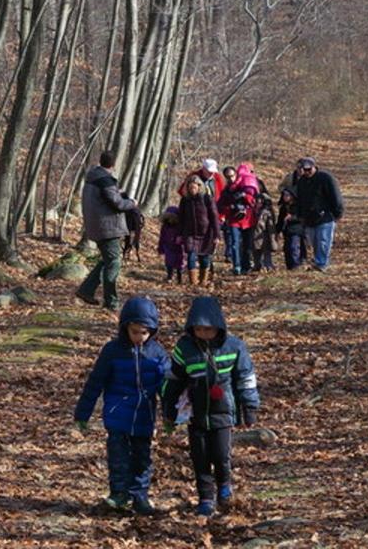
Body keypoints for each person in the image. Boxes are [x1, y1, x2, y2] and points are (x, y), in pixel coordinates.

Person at [161, 295, 260, 517]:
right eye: (199, 329)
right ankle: (206, 497)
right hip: (196, 413)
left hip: (223, 411)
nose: (204, 333)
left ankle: (224, 486)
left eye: (209, 329)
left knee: (221, 454)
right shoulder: (184, 348)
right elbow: (173, 380)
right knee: (200, 457)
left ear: (219, 326)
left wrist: (250, 407)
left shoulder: (234, 347)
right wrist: (169, 410)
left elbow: (246, 377)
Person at [73, 296, 170, 516]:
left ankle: (140, 496)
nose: (139, 337)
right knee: (118, 455)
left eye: (144, 333)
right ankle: (119, 493)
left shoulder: (157, 353)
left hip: (144, 414)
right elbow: (95, 382)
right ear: (125, 328)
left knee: (142, 456)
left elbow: (168, 386)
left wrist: (171, 415)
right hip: (117, 413)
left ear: (152, 331)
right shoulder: (112, 351)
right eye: (134, 331)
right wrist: (83, 413)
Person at [75, 151, 138, 309]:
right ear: (113, 165)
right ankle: (111, 302)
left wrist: (117, 192)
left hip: (98, 226)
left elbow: (107, 198)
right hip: (107, 227)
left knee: (107, 260)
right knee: (114, 263)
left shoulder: (93, 177)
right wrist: (131, 202)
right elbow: (117, 203)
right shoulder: (105, 180)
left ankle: (86, 290)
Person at [293, 157, 343, 271]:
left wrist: (337, 212)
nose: (307, 172)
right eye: (304, 170)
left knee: (323, 241)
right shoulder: (301, 182)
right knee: (314, 242)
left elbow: (335, 196)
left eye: (308, 169)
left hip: (326, 217)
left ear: (314, 167)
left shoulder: (325, 178)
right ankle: (319, 260)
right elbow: (300, 200)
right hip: (309, 218)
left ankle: (322, 263)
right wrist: (300, 215)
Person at [218, 163, 259, 275]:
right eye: (228, 177)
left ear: (236, 174)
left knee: (246, 244)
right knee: (235, 244)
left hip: (248, 220)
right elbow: (220, 207)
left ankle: (246, 266)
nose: (230, 178)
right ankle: (237, 266)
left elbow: (253, 202)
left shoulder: (246, 186)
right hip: (233, 220)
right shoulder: (226, 191)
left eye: (232, 175)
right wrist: (231, 208)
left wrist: (244, 196)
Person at [178, 174, 219, 285]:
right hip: (190, 233)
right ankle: (193, 282)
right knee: (191, 255)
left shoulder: (207, 199)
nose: (192, 190)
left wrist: (216, 235)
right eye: (190, 188)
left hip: (206, 233)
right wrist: (179, 234)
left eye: (194, 187)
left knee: (204, 258)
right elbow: (181, 218)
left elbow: (214, 217)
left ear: (199, 187)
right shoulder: (185, 200)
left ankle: (203, 280)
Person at [276, 187, 306, 270]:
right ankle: (289, 265)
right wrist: (277, 231)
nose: (285, 197)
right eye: (284, 195)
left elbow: (302, 217)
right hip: (286, 231)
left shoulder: (298, 206)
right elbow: (280, 220)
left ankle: (295, 264)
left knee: (294, 247)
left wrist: (292, 217)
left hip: (296, 230)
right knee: (286, 248)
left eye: (287, 195)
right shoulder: (283, 208)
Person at [158, 206, 184, 283]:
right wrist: (161, 248)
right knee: (169, 262)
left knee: (180, 263)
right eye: (168, 217)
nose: (170, 219)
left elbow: (183, 235)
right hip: (168, 246)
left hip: (178, 247)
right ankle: (170, 276)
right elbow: (162, 237)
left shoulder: (180, 226)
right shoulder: (165, 226)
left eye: (172, 217)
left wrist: (182, 241)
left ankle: (179, 278)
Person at [253, 188, 276, 272]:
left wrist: (272, 239)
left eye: (260, 201)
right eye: (257, 200)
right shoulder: (253, 211)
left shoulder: (267, 213)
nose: (257, 202)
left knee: (266, 253)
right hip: (254, 235)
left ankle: (268, 266)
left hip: (264, 236)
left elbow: (271, 227)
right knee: (256, 252)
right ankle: (257, 266)